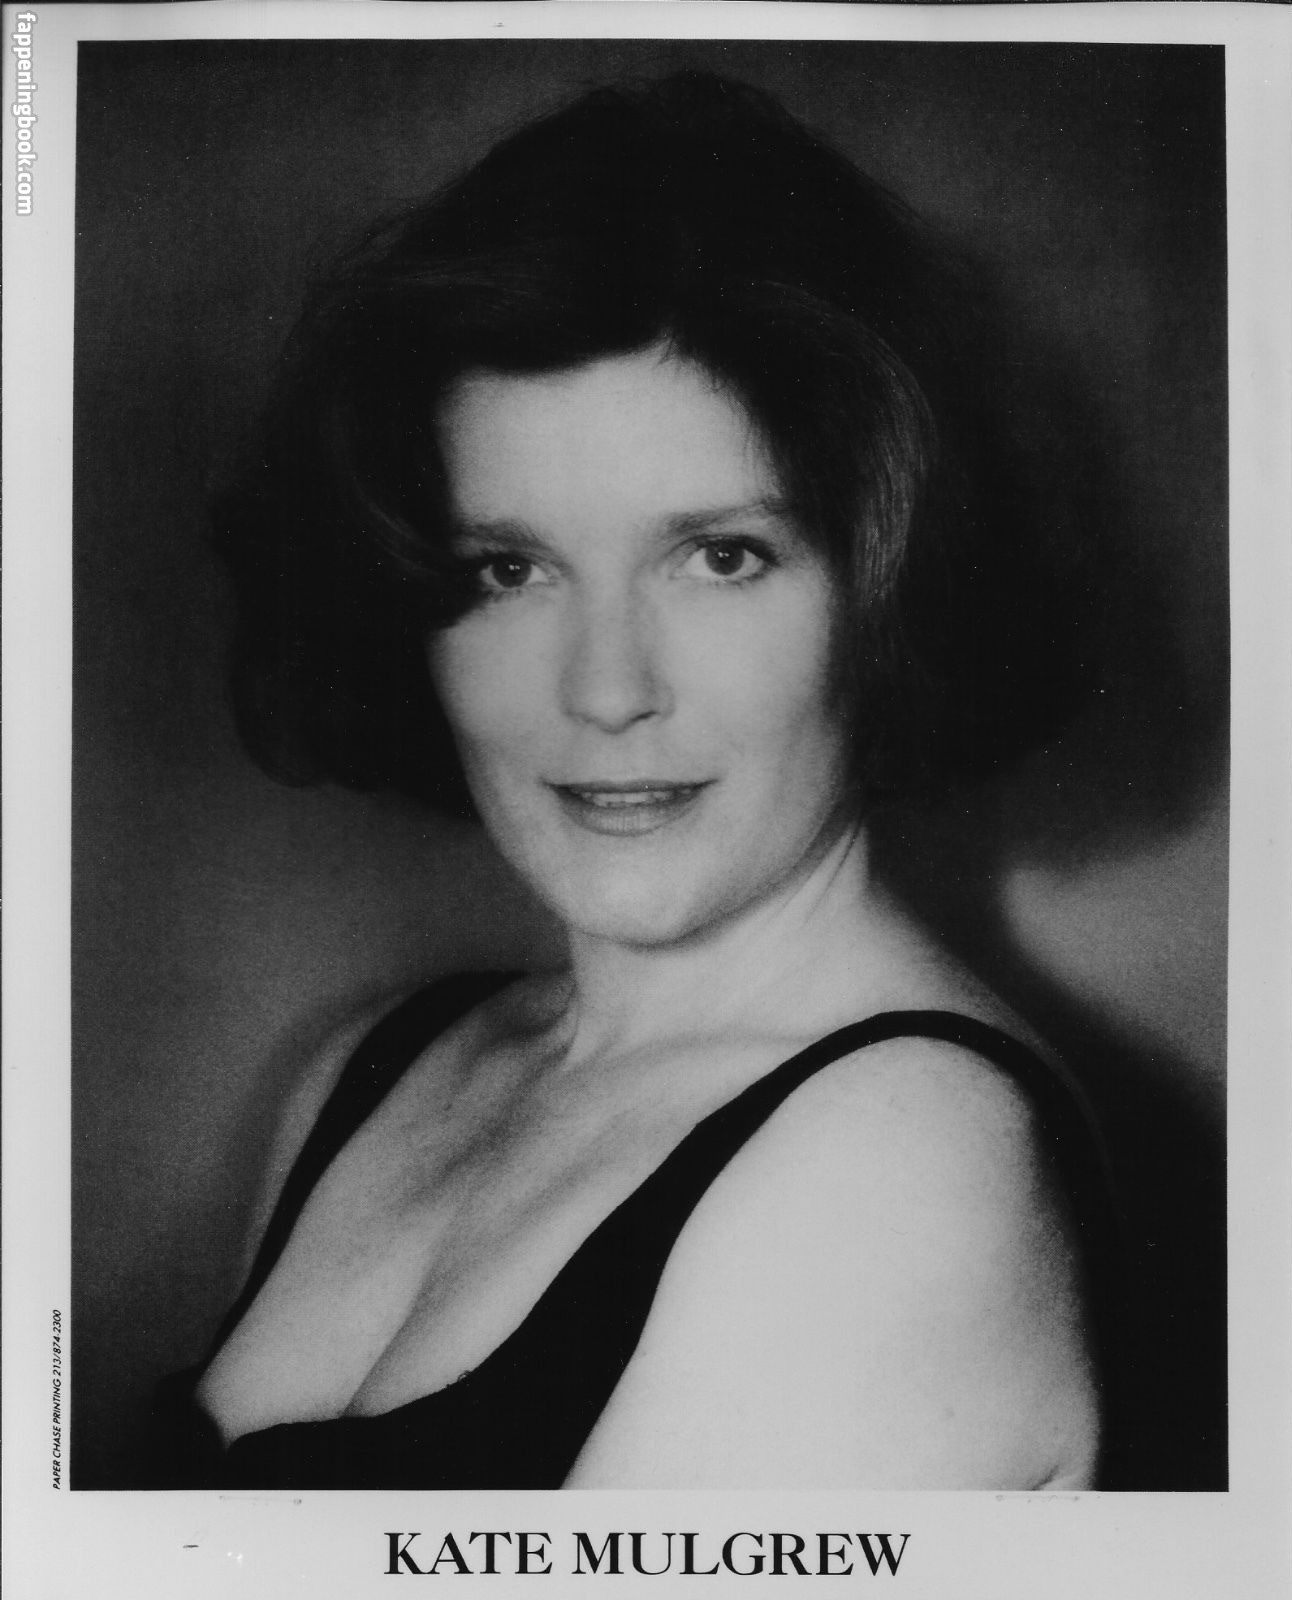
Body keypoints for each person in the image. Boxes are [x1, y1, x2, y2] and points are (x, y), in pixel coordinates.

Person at [156, 72, 1112, 1489]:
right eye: (510, 568)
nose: (605, 690)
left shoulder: (899, 1158)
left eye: (721, 557)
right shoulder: (371, 1070)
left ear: (889, 592)